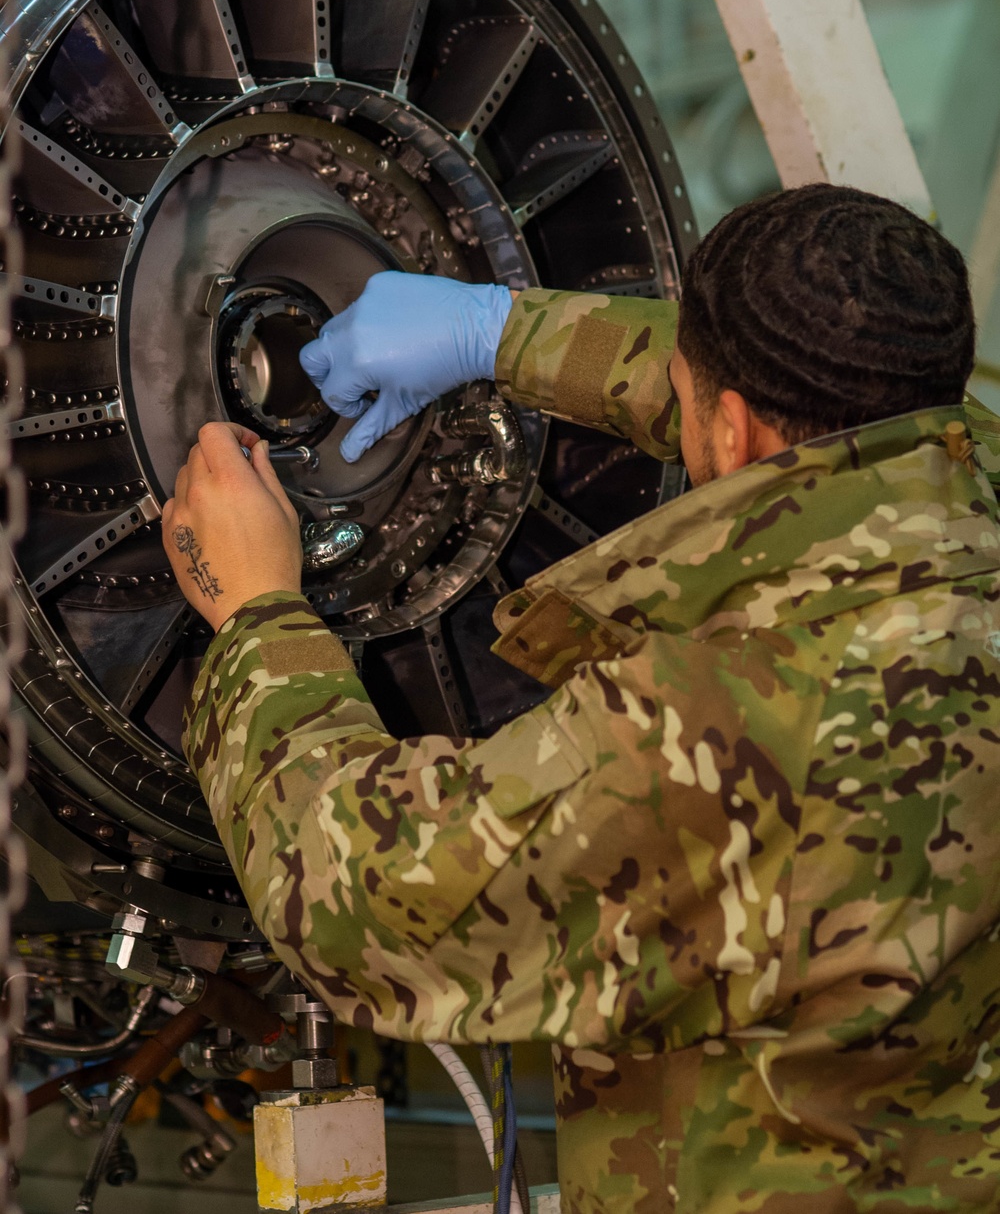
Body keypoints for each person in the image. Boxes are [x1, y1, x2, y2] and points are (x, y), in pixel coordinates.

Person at [164, 184, 1000, 1214]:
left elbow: (359, 895)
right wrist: (495, 332)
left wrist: (257, 612)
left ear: (729, 431)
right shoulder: (971, 486)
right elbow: (776, 398)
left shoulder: (708, 721)